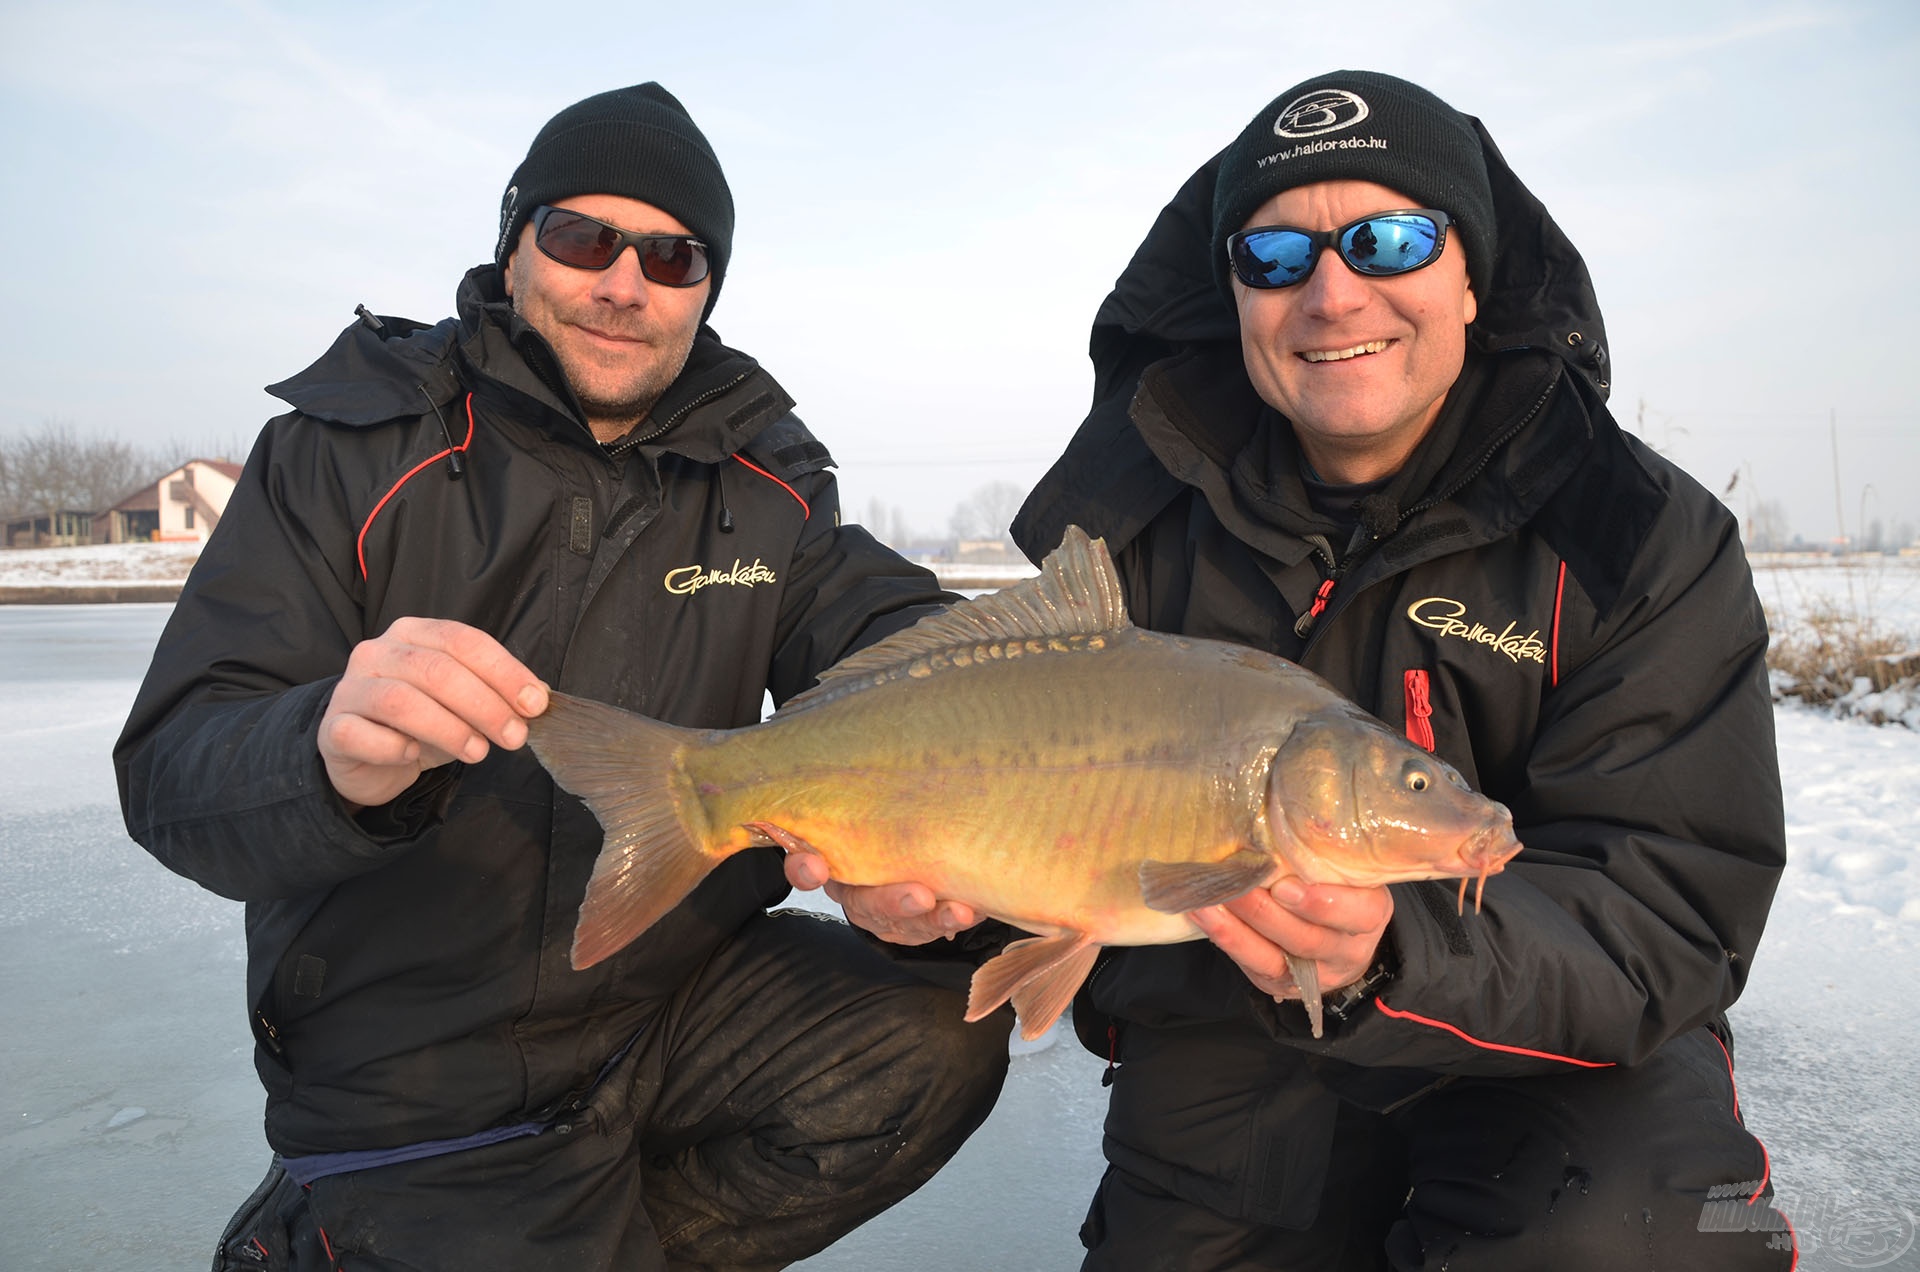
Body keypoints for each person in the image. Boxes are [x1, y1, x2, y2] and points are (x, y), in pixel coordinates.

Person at [814, 70, 1796, 1268]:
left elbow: (1670, 909)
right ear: (1233, 293)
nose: (1334, 293)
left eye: (1391, 241)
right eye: (1276, 256)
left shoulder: (1640, 534)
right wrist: (928, 902)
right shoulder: (1134, 527)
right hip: (1225, 1072)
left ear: (1471, 273)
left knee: (1631, 1236)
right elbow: (1041, 825)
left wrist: (1396, 954)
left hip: (1555, 1068)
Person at [115, 82, 1009, 1271]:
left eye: (673, 255)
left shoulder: (770, 488)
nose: (625, 283)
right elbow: (174, 772)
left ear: (707, 287)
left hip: (664, 1014)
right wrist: (327, 755)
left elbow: (914, 646)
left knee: (932, 1035)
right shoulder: (348, 448)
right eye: (585, 237)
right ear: (516, 243)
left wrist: (1009, 799)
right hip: (413, 1074)